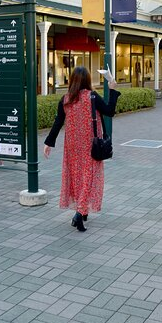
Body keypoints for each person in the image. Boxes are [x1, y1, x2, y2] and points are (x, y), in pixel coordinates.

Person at [43, 67, 120, 232]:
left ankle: (83, 211)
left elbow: (58, 122)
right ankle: (79, 214)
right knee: (89, 179)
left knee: (77, 178)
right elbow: (109, 111)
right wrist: (112, 90)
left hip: (72, 147)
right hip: (90, 146)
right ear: (87, 80)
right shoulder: (91, 96)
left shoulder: (66, 99)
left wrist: (49, 142)